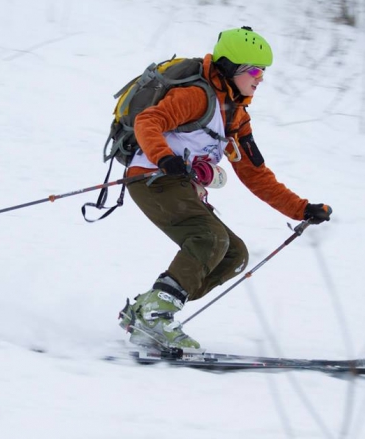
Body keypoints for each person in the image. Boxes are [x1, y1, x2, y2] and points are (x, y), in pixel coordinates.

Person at [117, 26, 332, 350]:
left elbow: (256, 175)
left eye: (263, 72)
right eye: (255, 71)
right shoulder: (197, 96)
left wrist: (301, 209)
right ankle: (156, 314)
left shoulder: (236, 117)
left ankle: (145, 311)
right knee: (209, 238)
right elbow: (148, 121)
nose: (260, 79)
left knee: (233, 254)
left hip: (179, 184)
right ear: (232, 68)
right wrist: (164, 158)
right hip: (151, 177)